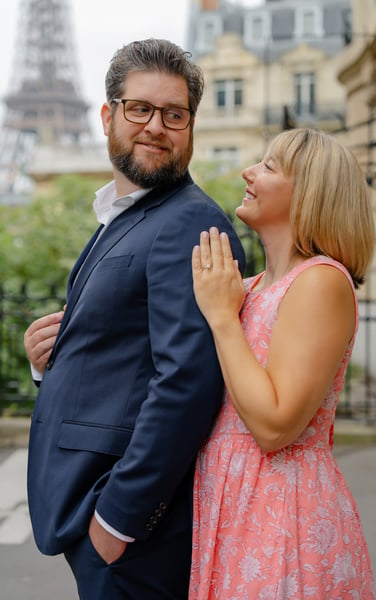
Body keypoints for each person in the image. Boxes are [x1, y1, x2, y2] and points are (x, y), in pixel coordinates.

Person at [23, 38, 245, 600]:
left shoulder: (188, 223)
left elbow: (187, 383)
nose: (156, 127)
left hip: (130, 530)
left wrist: (118, 521)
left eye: (174, 114)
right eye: (140, 108)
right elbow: (124, 358)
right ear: (107, 115)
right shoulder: (126, 217)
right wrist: (50, 362)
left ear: (191, 126)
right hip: (91, 509)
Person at [189, 128, 376, 599]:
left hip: (284, 514)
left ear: (309, 194)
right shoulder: (248, 289)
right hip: (234, 506)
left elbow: (275, 426)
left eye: (269, 166)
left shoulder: (320, 282)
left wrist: (220, 317)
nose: (248, 172)